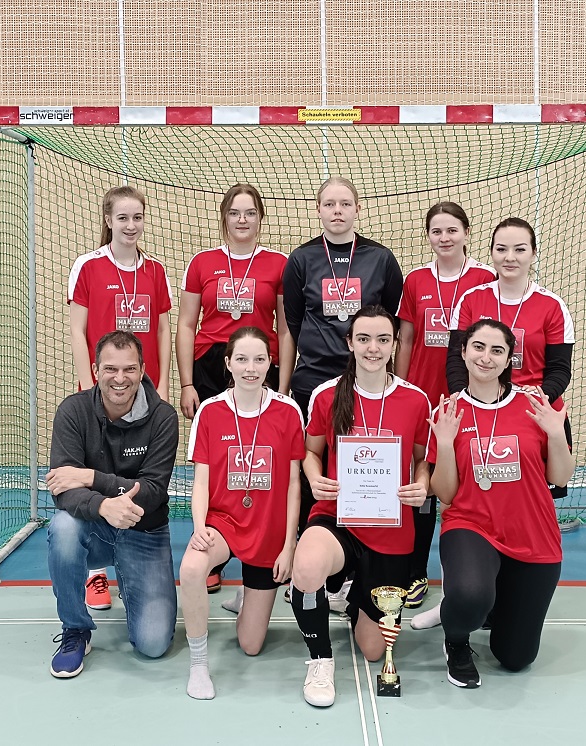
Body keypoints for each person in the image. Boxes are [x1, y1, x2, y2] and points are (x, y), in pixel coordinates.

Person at [411, 216, 575, 630]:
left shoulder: (552, 305)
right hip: (474, 414)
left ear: (533, 254)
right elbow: (454, 359)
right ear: (491, 253)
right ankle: (457, 600)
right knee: (460, 505)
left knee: (522, 510)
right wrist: (466, 400)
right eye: (502, 248)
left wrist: (533, 400)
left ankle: (505, 597)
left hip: (531, 422)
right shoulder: (472, 298)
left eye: (520, 249)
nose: (510, 257)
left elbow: (560, 369)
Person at [290, 306, 431, 707]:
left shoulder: (416, 400)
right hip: (337, 517)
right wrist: (314, 477)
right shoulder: (327, 393)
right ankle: (320, 660)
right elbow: (311, 452)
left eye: (383, 339)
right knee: (308, 564)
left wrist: (421, 485)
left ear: (394, 344)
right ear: (349, 343)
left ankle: (353, 599)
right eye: (364, 339)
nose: (373, 348)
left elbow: (424, 460)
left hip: (391, 528)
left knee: (373, 650)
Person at [427, 319, 574, 688]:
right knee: (470, 596)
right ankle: (456, 639)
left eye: (497, 350)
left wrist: (556, 434)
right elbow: (444, 493)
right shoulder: (449, 411)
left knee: (515, 658)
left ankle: (494, 605)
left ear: (510, 358)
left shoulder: (535, 404)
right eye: (478, 347)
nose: (486, 358)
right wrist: (445, 444)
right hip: (472, 524)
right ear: (463, 352)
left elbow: (560, 477)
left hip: (532, 533)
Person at [282, 178, 404, 612]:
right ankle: (311, 566)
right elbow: (292, 325)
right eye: (329, 204)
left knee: (366, 471)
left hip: (367, 382)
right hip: (313, 380)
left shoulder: (381, 259)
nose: (337, 211)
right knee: (312, 473)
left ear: (357, 208)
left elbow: (391, 320)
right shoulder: (301, 260)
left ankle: (357, 570)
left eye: (345, 203)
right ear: (318, 210)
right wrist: (284, 387)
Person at [177, 183, 294, 595]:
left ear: (261, 218)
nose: (242, 220)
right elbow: (187, 324)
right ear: (224, 218)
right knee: (218, 460)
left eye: (250, 212)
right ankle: (211, 548)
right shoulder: (203, 262)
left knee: (265, 461)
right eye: (234, 212)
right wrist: (188, 381)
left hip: (258, 364)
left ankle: (262, 548)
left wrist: (283, 384)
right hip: (213, 365)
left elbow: (285, 326)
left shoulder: (279, 264)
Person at [44, 331, 179, 679]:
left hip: (145, 529)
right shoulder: (72, 412)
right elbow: (62, 489)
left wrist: (90, 477)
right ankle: (76, 630)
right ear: (95, 369)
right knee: (62, 527)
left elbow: (152, 492)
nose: (120, 379)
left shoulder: (163, 418)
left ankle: (133, 579)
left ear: (143, 369)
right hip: (99, 528)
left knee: (152, 645)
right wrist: (104, 508)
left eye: (130, 369)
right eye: (110, 369)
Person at [179, 327, 305, 699]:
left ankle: (248, 595)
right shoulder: (210, 410)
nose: (251, 368)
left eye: (260, 359)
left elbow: (294, 485)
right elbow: (200, 480)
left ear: (270, 363)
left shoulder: (287, 411)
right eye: (243, 359)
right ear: (228, 363)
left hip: (267, 530)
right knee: (190, 568)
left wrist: (288, 545)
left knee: (251, 644)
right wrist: (199, 525)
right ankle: (199, 664)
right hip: (224, 523)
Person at [68, 185, 174, 611]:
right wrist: (85, 386)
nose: (131, 226)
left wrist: (163, 385)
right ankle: (96, 575)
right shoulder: (88, 266)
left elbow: (164, 330)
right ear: (109, 220)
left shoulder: (156, 271)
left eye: (138, 218)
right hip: (101, 389)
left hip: (142, 390)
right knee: (96, 470)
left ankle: (133, 557)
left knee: (137, 472)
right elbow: (78, 329)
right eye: (123, 218)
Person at [395, 202, 495, 609]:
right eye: (437, 231)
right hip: (423, 396)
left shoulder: (485, 279)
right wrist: (400, 385)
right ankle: (416, 572)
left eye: (452, 230)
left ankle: (472, 576)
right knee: (423, 486)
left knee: (465, 489)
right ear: (428, 236)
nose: (445, 238)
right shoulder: (416, 280)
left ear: (467, 233)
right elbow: (405, 339)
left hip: (468, 400)